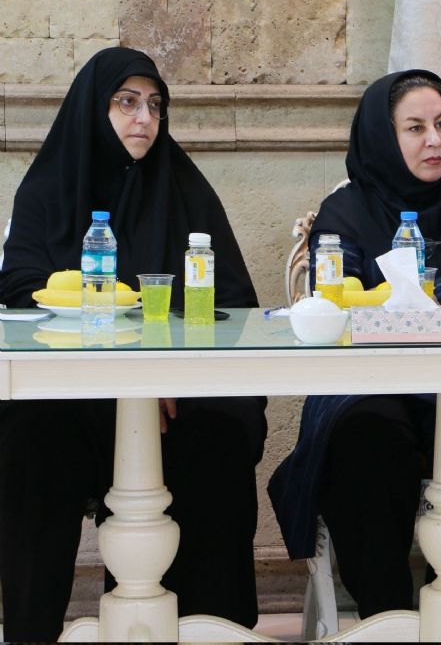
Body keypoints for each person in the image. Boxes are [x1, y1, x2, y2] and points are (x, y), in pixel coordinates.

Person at [0, 47, 267, 640]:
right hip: (74, 398)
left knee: (220, 433)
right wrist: (116, 380)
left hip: (177, 397)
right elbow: (19, 287)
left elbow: (233, 304)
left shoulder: (185, 189)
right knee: (30, 441)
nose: (144, 118)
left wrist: (167, 375)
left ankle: (207, 628)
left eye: (154, 105)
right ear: (94, 109)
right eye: (126, 102)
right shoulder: (49, 189)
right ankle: (30, 631)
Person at [268, 69, 441, 616]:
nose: (435, 140)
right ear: (383, 135)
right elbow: (334, 300)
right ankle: (388, 615)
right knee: (364, 440)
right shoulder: (343, 213)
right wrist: (436, 298)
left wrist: (394, 297)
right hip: (364, 381)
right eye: (416, 128)